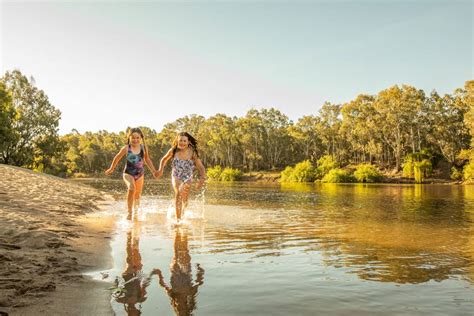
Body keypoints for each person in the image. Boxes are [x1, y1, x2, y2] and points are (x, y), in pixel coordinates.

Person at [105, 127, 157, 219]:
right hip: (128, 173)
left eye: (137, 138)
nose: (135, 140)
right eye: (133, 137)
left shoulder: (143, 148)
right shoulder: (126, 148)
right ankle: (129, 213)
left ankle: (136, 213)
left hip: (140, 174)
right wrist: (111, 168)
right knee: (131, 188)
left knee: (137, 195)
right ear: (129, 137)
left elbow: (147, 159)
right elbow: (117, 158)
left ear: (141, 138)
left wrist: (153, 171)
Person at [153, 228, 204, 316]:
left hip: (175, 272)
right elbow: (199, 282)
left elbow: (163, 284)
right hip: (186, 271)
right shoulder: (190, 292)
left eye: (178, 308)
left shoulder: (173, 295)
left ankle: (177, 233)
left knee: (176, 255)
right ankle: (184, 232)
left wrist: (159, 274)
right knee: (185, 252)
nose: (179, 305)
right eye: (182, 308)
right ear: (186, 305)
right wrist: (200, 270)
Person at [156, 132, 206, 222]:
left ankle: (183, 212)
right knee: (179, 192)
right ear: (177, 141)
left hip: (188, 176)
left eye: (184, 141)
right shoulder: (173, 151)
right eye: (180, 141)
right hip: (176, 175)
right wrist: (160, 170)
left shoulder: (192, 153)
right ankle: (178, 220)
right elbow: (164, 159)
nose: (182, 143)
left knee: (185, 197)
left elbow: (201, 167)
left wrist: (202, 178)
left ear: (188, 142)